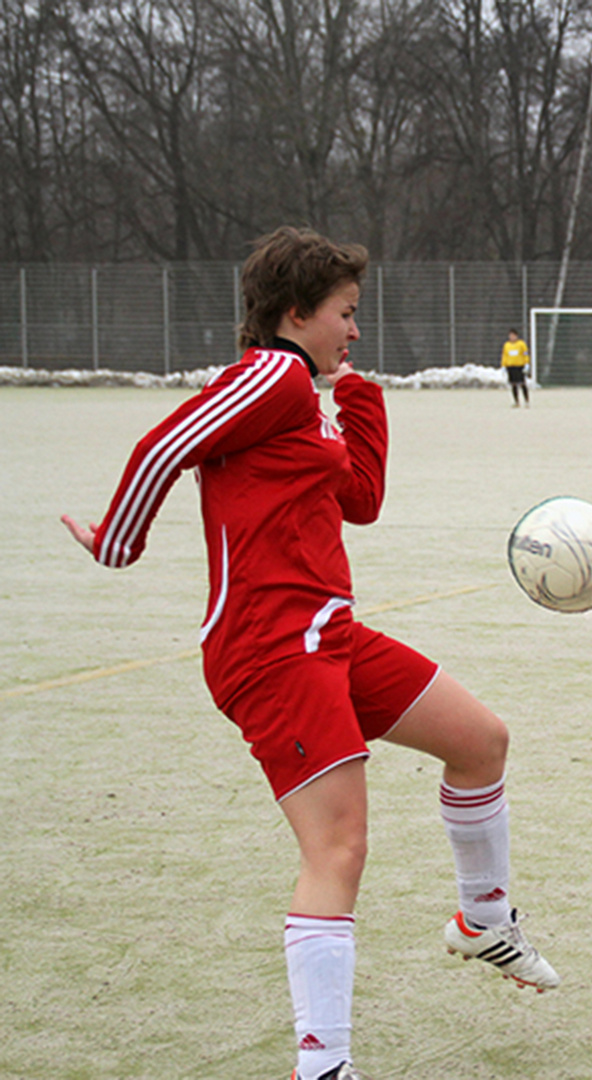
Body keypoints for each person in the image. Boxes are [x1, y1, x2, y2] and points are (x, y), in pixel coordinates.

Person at [61, 227, 558, 1080]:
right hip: (271, 651)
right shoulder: (272, 375)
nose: (354, 330)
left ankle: (484, 922)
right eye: (345, 314)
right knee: (338, 850)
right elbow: (162, 448)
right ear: (295, 315)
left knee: (481, 742)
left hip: (330, 634)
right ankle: (322, 1067)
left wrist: (359, 401)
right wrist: (117, 543)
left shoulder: (305, 392)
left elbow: (358, 498)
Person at [502, 328, 531, 406]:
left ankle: (526, 400)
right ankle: (516, 401)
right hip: (511, 366)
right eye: (510, 336)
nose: (512, 337)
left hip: (519, 366)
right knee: (513, 384)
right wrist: (504, 365)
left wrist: (526, 363)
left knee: (522, 383)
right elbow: (505, 355)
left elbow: (525, 354)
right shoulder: (506, 345)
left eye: (513, 336)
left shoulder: (521, 344)